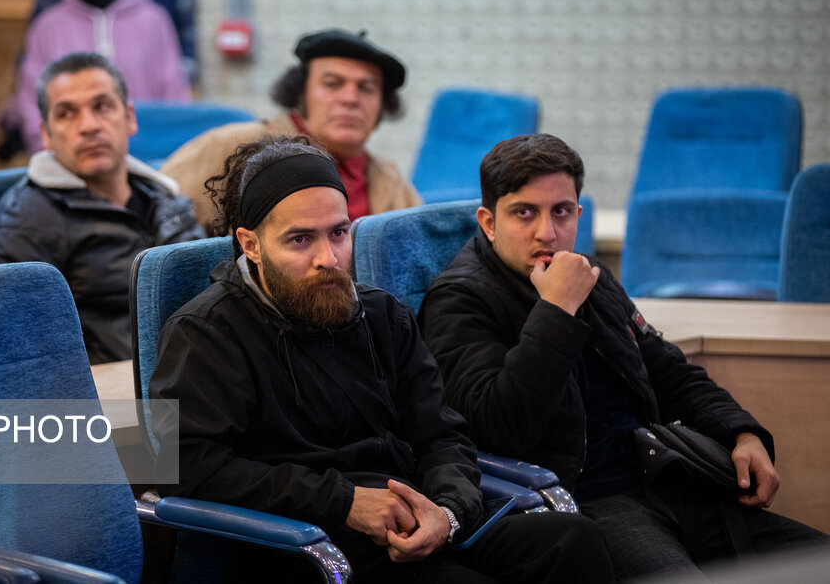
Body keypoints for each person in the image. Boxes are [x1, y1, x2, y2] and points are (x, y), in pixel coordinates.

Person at [149, 135, 614, 582]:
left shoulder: (382, 314)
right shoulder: (202, 330)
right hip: (306, 542)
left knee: (573, 540)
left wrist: (448, 510)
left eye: (338, 233)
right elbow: (171, 468)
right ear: (251, 244)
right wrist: (345, 501)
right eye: (300, 240)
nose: (329, 258)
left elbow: (443, 434)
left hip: (413, 518)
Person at [418, 133, 830, 580]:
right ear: (489, 222)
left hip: (666, 476)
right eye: (525, 213)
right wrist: (557, 310)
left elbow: (667, 370)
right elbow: (499, 427)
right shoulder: (459, 299)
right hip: (587, 500)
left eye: (561, 211)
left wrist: (741, 432)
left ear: (578, 214)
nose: (547, 233)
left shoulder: (589, 275)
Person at [0, 52, 202, 364]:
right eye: (67, 114)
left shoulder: (167, 200)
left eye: (102, 107)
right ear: (45, 134)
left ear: (130, 118)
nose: (88, 126)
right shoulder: (22, 223)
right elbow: (6, 351)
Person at [160, 28, 421, 230]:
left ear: (382, 106)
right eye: (332, 84)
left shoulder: (391, 181)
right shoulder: (232, 146)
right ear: (300, 94)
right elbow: (156, 215)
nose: (351, 98)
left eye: (366, 88)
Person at [9, 0, 190, 155]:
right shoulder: (48, 26)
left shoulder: (153, 21)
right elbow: (31, 104)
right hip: (67, 164)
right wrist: (54, 158)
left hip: (146, 162)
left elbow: (174, 100)